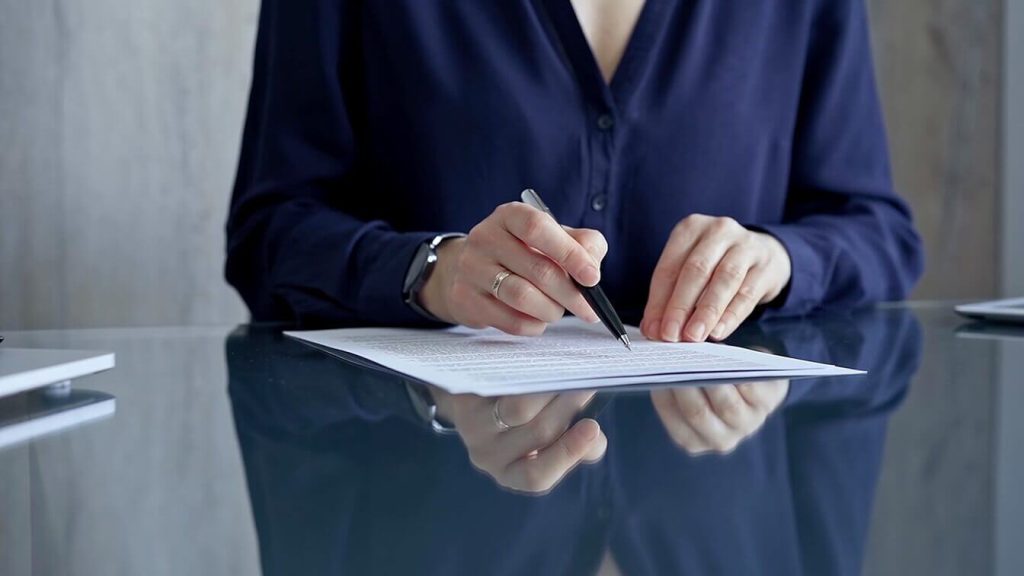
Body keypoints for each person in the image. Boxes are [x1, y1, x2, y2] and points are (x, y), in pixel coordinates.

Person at [226, 0, 924, 479]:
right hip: (431, 498)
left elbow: (878, 228)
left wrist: (780, 260)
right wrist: (429, 269)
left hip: (733, 496)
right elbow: (269, 231)